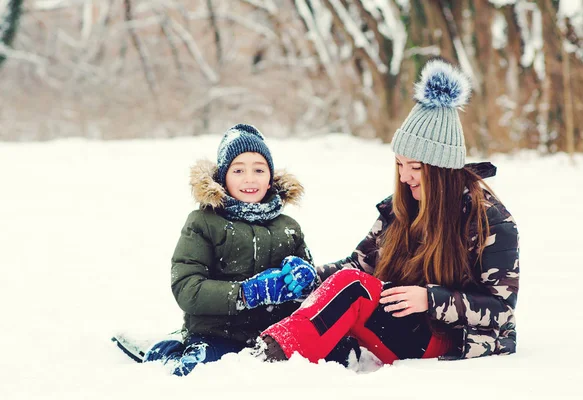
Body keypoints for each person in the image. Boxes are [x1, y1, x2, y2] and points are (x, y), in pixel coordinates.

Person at [256, 59, 520, 364]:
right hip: (403, 324)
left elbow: (502, 310)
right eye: (399, 164)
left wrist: (431, 300)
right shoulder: (401, 207)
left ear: (442, 170)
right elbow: (359, 266)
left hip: (452, 338)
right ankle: (273, 348)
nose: (405, 177)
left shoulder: (489, 221)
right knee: (347, 286)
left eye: (415, 168)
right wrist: (312, 277)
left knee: (353, 289)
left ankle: (272, 358)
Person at [114, 124, 319, 376]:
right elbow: (187, 288)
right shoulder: (203, 223)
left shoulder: (289, 228)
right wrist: (246, 293)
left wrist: (306, 281)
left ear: (270, 179)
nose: (249, 178)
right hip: (216, 333)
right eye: (238, 170)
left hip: (272, 337)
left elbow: (312, 292)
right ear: (223, 178)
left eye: (259, 169)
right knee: (198, 372)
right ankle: (165, 352)